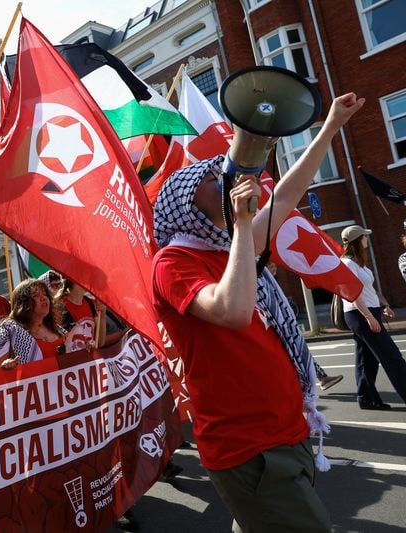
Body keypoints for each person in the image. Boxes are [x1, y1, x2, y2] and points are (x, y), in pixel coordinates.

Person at [152, 93, 364, 532]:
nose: (225, 182)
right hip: (248, 447)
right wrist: (244, 224)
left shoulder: (229, 247)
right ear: (186, 204)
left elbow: (285, 197)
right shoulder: (172, 262)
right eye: (212, 181)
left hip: (286, 432)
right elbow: (232, 311)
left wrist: (329, 127)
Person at [340, 224, 406, 409]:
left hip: (368, 311)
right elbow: (352, 293)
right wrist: (369, 316)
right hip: (360, 314)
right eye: (364, 236)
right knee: (391, 356)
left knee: (366, 360)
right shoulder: (347, 264)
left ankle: (366, 399)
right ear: (357, 240)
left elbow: (369, 289)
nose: (366, 239)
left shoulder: (357, 263)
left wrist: (384, 305)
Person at [0, 279, 66, 371]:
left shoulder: (58, 329)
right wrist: (6, 366)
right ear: (23, 303)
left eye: (44, 294)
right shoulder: (8, 330)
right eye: (35, 295)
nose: (43, 298)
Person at [56, 279, 106, 351]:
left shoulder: (90, 303)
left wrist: (102, 316)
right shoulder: (60, 307)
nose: (89, 280)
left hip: (88, 357)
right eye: (85, 277)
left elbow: (100, 342)